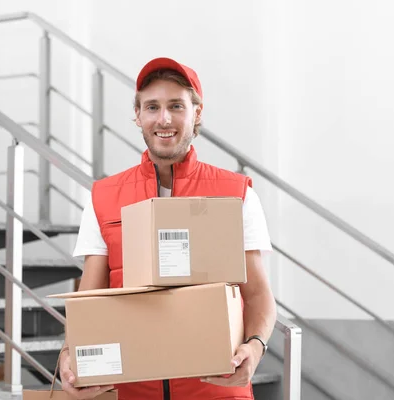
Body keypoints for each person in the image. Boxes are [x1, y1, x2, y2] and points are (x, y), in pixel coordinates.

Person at [58, 57, 277, 400]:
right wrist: (70, 353)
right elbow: (90, 298)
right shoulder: (103, 197)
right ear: (138, 115)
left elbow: (258, 294)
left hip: (216, 390)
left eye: (176, 106)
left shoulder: (236, 194)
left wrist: (256, 346)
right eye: (152, 107)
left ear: (197, 114)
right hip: (135, 391)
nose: (163, 119)